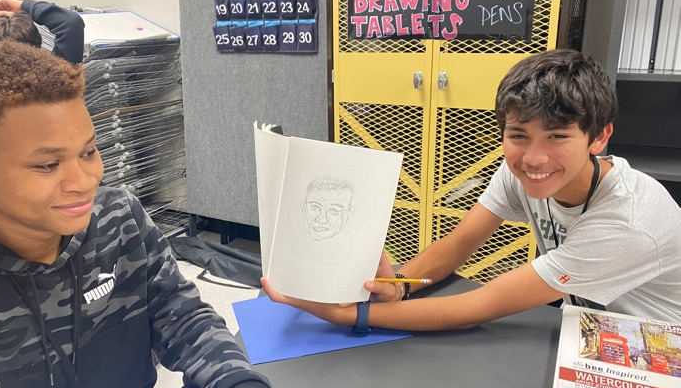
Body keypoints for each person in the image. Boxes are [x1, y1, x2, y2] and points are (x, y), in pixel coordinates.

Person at [0, 41, 326, 388]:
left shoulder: (118, 217)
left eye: (87, 152)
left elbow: (185, 321)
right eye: (47, 166)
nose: (83, 181)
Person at [263, 49, 681, 330]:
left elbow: (485, 303)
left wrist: (356, 314)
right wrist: (402, 284)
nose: (533, 158)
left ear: (598, 138)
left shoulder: (627, 220)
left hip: (658, 350)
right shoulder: (522, 172)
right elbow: (461, 241)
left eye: (556, 137)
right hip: (588, 330)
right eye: (518, 135)